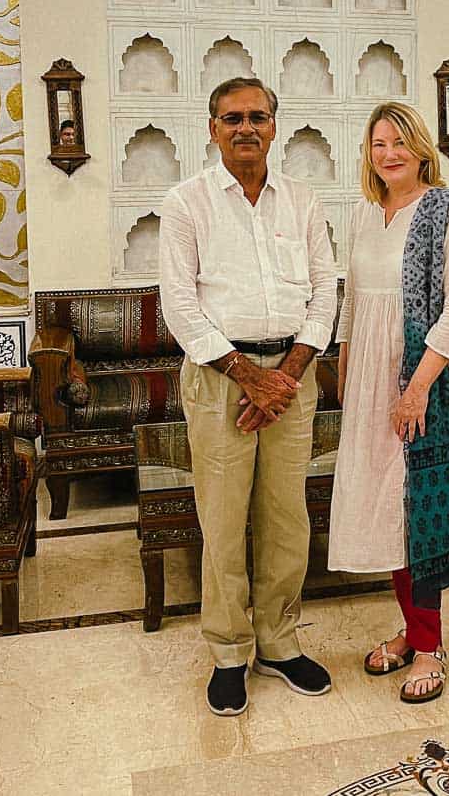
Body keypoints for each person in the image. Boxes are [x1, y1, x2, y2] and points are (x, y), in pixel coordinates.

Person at [159, 77, 337, 717]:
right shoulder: (187, 203)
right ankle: (230, 652)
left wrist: (283, 375)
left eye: (258, 116)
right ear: (212, 129)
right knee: (225, 521)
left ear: (274, 125)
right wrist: (246, 374)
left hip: (291, 375)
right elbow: (179, 304)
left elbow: (325, 293)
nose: (246, 128)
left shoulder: (303, 201)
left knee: (288, 519)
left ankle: (280, 643)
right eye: (232, 118)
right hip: (218, 379)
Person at [328, 102, 449, 704]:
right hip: (372, 384)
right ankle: (413, 628)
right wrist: (347, 373)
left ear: (421, 147)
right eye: (378, 145)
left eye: (399, 142)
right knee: (390, 512)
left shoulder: (448, 214)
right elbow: (353, 302)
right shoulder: (363, 214)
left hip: (424, 380)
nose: (389, 153)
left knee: (421, 509)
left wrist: (417, 387)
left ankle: (430, 647)